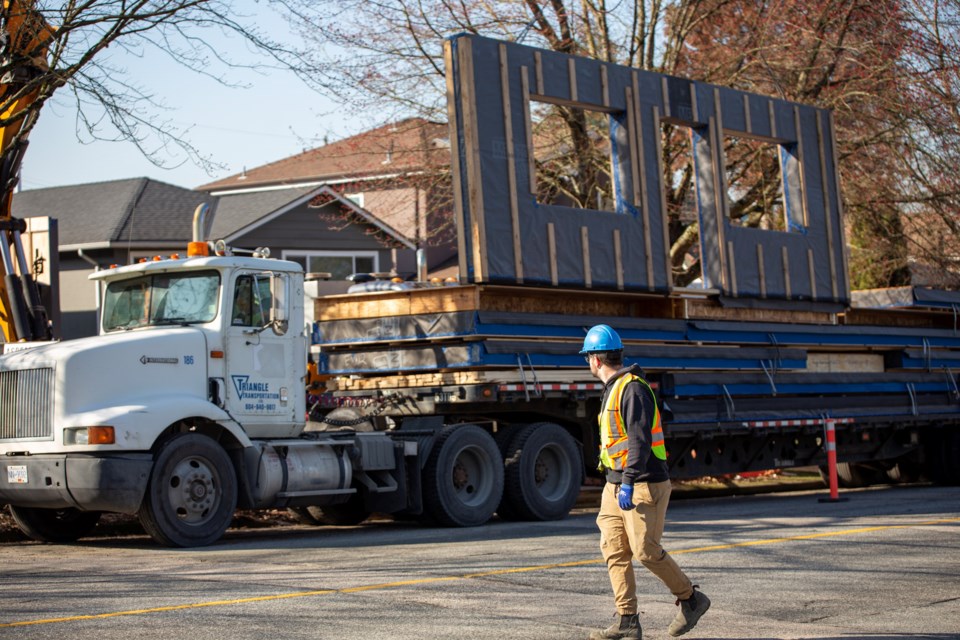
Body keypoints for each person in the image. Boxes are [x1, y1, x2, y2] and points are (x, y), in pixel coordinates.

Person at [582, 324, 709, 640]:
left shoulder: (633, 389)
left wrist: (627, 482)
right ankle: (627, 620)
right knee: (613, 548)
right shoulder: (613, 387)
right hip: (617, 485)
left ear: (595, 359)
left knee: (645, 550)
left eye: (587, 357)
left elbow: (638, 441)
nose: (588, 363)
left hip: (642, 483)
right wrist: (616, 482)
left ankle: (691, 599)